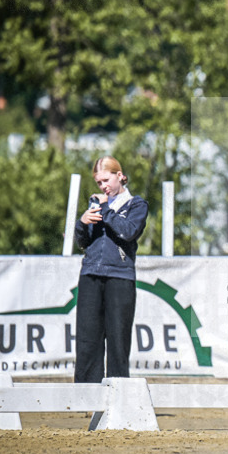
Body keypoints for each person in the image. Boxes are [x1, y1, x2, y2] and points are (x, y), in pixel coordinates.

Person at [73, 156, 148, 383]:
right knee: (88, 340)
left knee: (118, 339)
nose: (103, 186)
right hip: (90, 275)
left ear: (120, 175)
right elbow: (83, 243)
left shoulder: (136, 205)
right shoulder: (96, 205)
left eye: (106, 180)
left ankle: (118, 395)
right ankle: (86, 395)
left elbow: (128, 231)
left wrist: (105, 208)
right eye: (99, 183)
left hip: (120, 276)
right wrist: (82, 223)